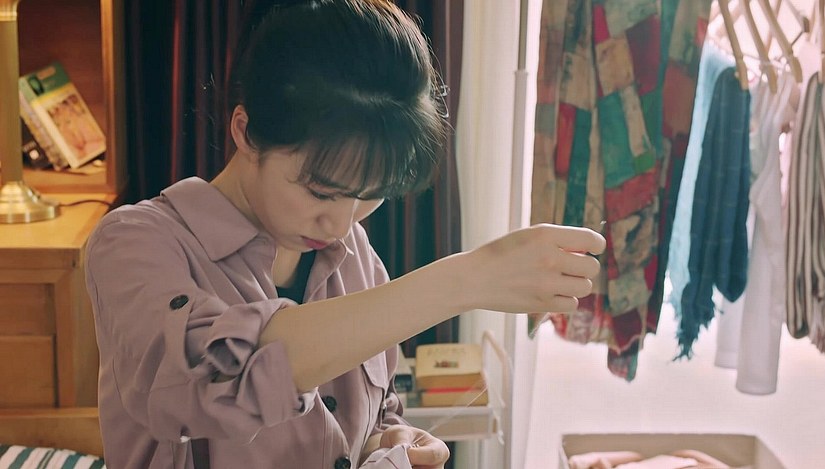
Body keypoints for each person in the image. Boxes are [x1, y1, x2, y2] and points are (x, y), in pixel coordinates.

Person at [84, 1, 606, 468]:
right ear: (245, 131)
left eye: (370, 194)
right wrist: (464, 280)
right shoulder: (134, 243)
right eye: (321, 191)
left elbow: (372, 414)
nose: (340, 224)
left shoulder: (352, 251)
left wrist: (391, 439)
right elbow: (211, 381)